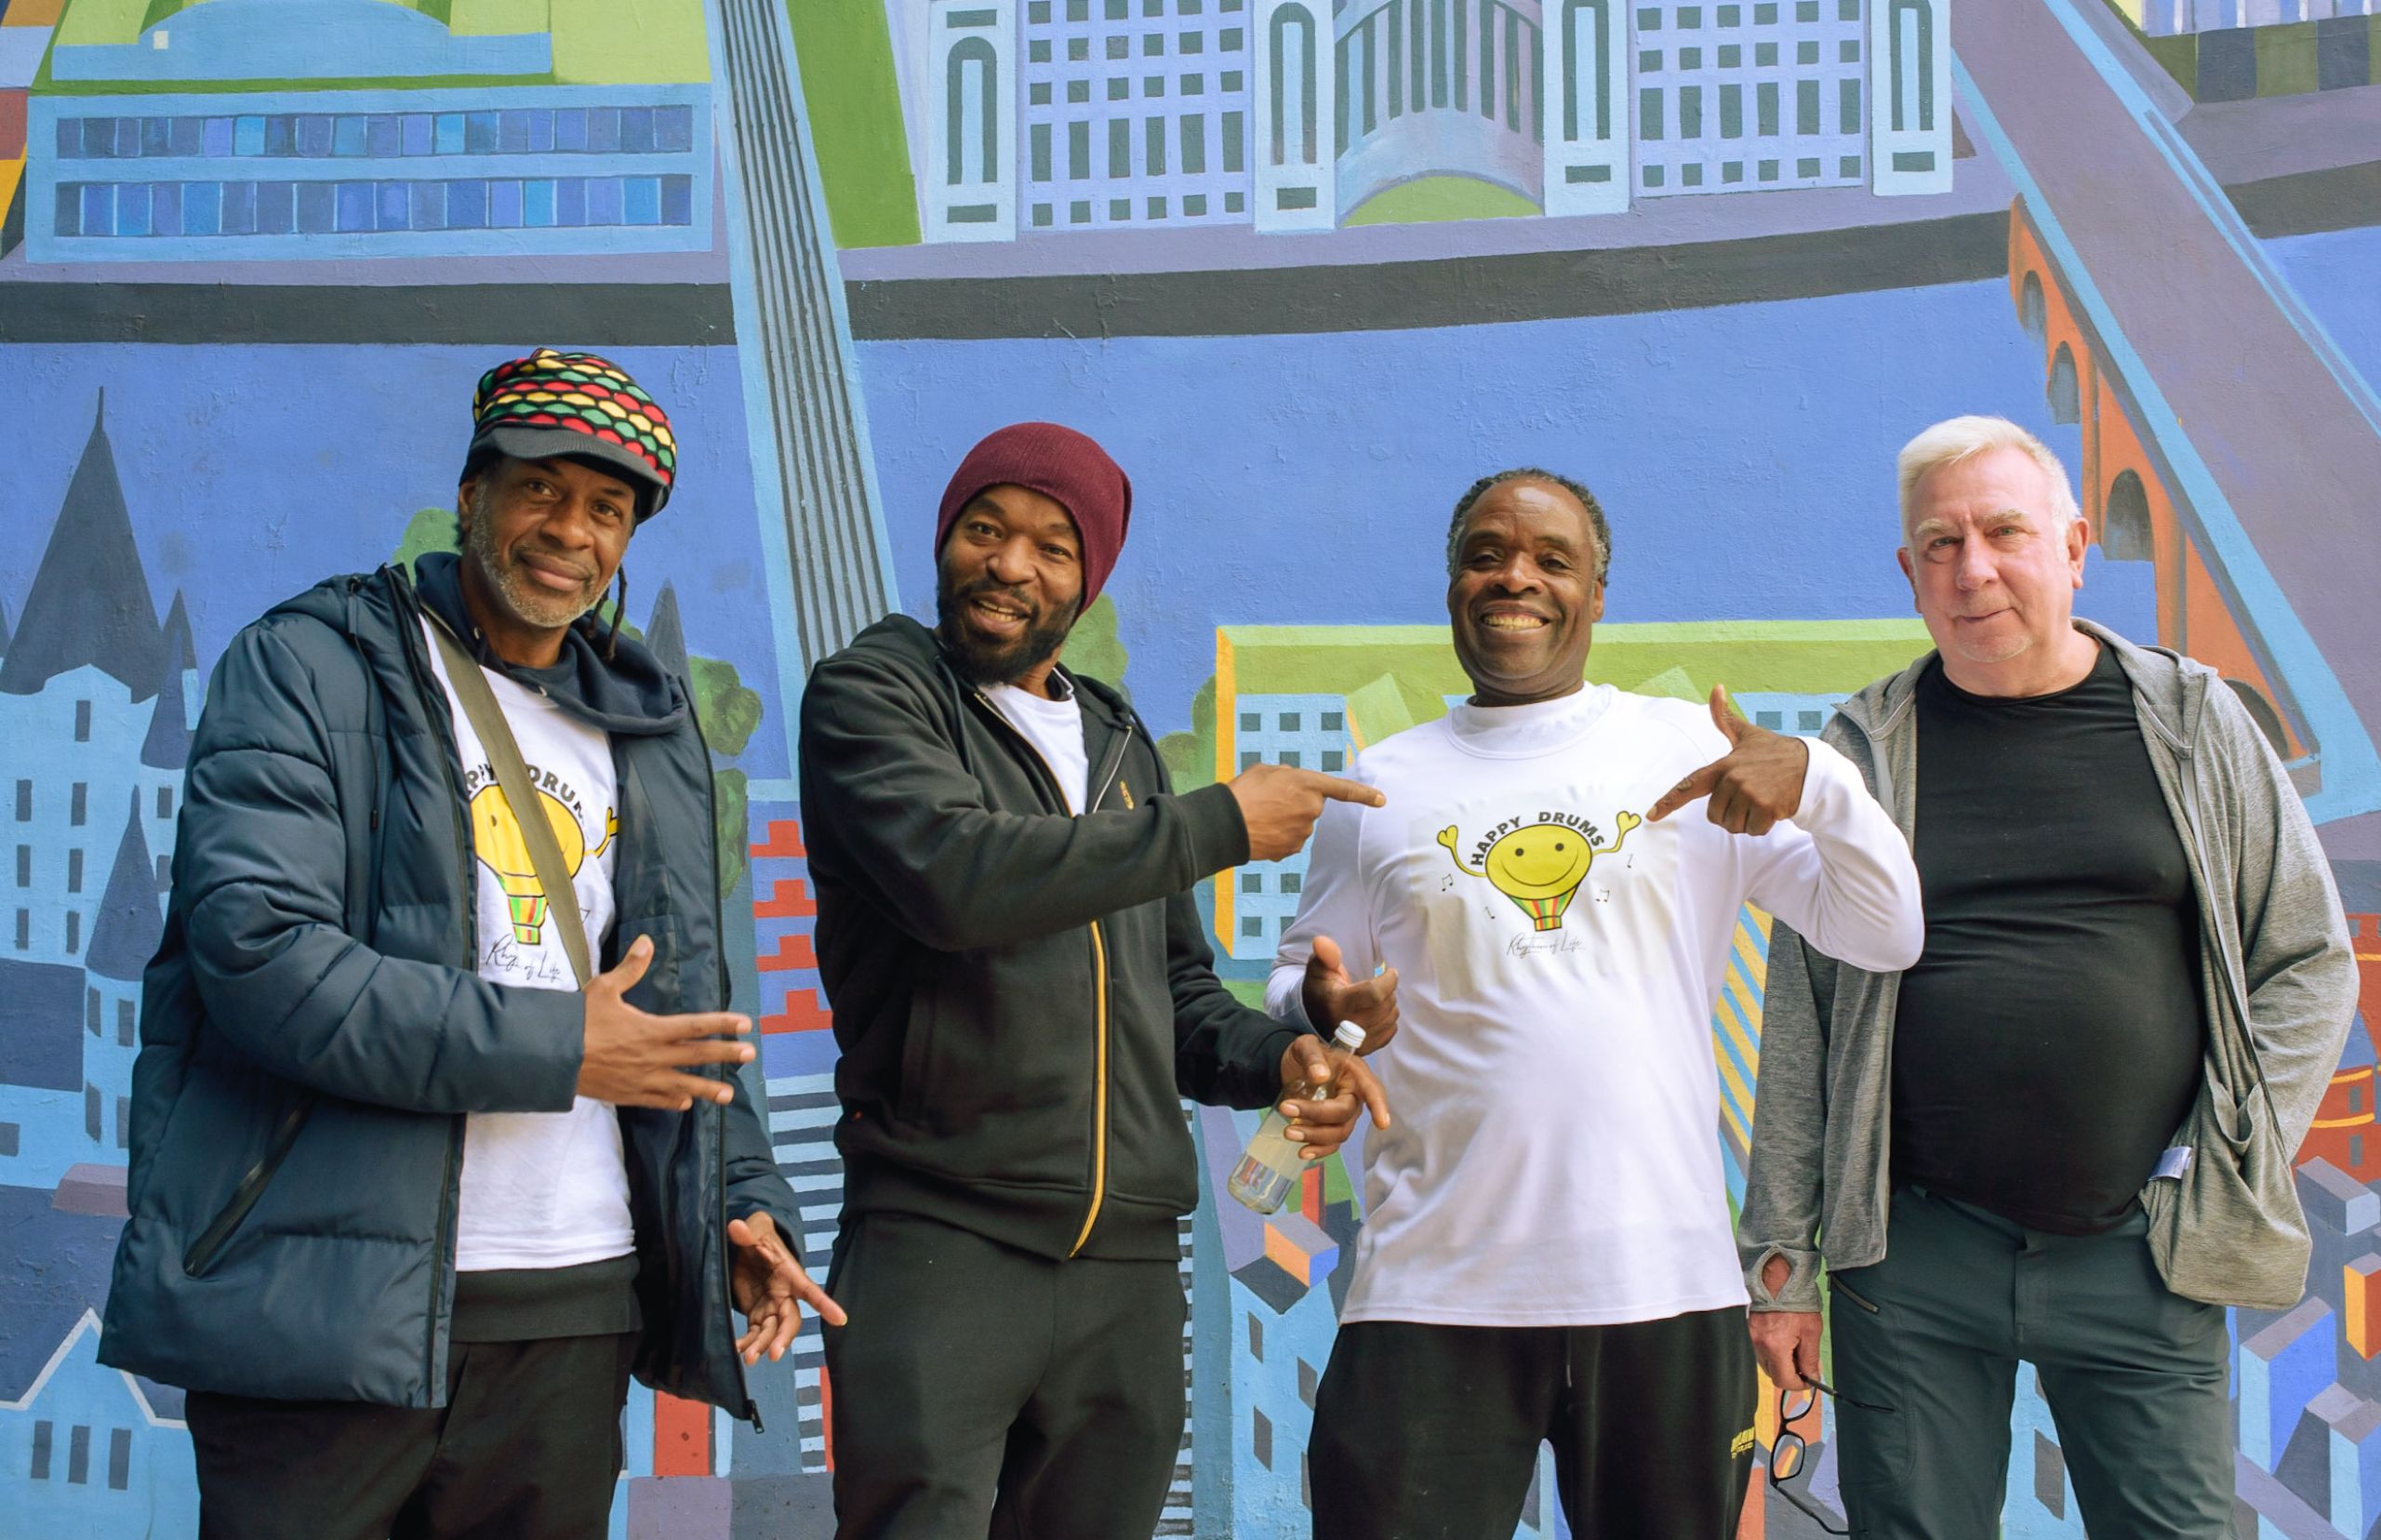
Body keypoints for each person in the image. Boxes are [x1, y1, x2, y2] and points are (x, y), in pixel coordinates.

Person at [100, 350, 831, 1540]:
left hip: (571, 1310)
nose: (571, 531)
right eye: (543, 487)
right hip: (324, 1309)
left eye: (608, 509)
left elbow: (688, 1019)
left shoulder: (649, 729)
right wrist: (560, 1049)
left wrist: (742, 1208)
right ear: (473, 490)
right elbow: (262, 959)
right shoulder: (309, 666)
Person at [1269, 467, 1925, 1539]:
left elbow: (1886, 929)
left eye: (1549, 559)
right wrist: (1322, 1003)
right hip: (1430, 1291)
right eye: (1485, 554)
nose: (1514, 577)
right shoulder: (1376, 787)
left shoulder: (1684, 754)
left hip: (1659, 1286)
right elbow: (1306, 975)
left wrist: (1815, 780)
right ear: (1451, 585)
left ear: (1597, 593)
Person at [1739, 415, 2358, 1538]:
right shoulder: (1862, 754)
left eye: (2003, 532)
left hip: (2143, 1254)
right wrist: (1780, 1265)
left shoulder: (2193, 723)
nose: (1972, 568)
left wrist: (2227, 1152)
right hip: (1913, 1257)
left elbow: (2305, 958)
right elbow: (1805, 1023)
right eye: (1939, 543)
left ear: (2074, 547)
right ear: (1908, 573)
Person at [797, 420, 1396, 1539]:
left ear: (1091, 578)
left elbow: (1171, 996)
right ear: (945, 542)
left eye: (1051, 546)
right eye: (984, 529)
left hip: (1124, 1262)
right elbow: (955, 878)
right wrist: (1218, 823)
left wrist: (1290, 1051)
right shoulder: (873, 695)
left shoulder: (1119, 743)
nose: (1010, 564)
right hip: (943, 1238)